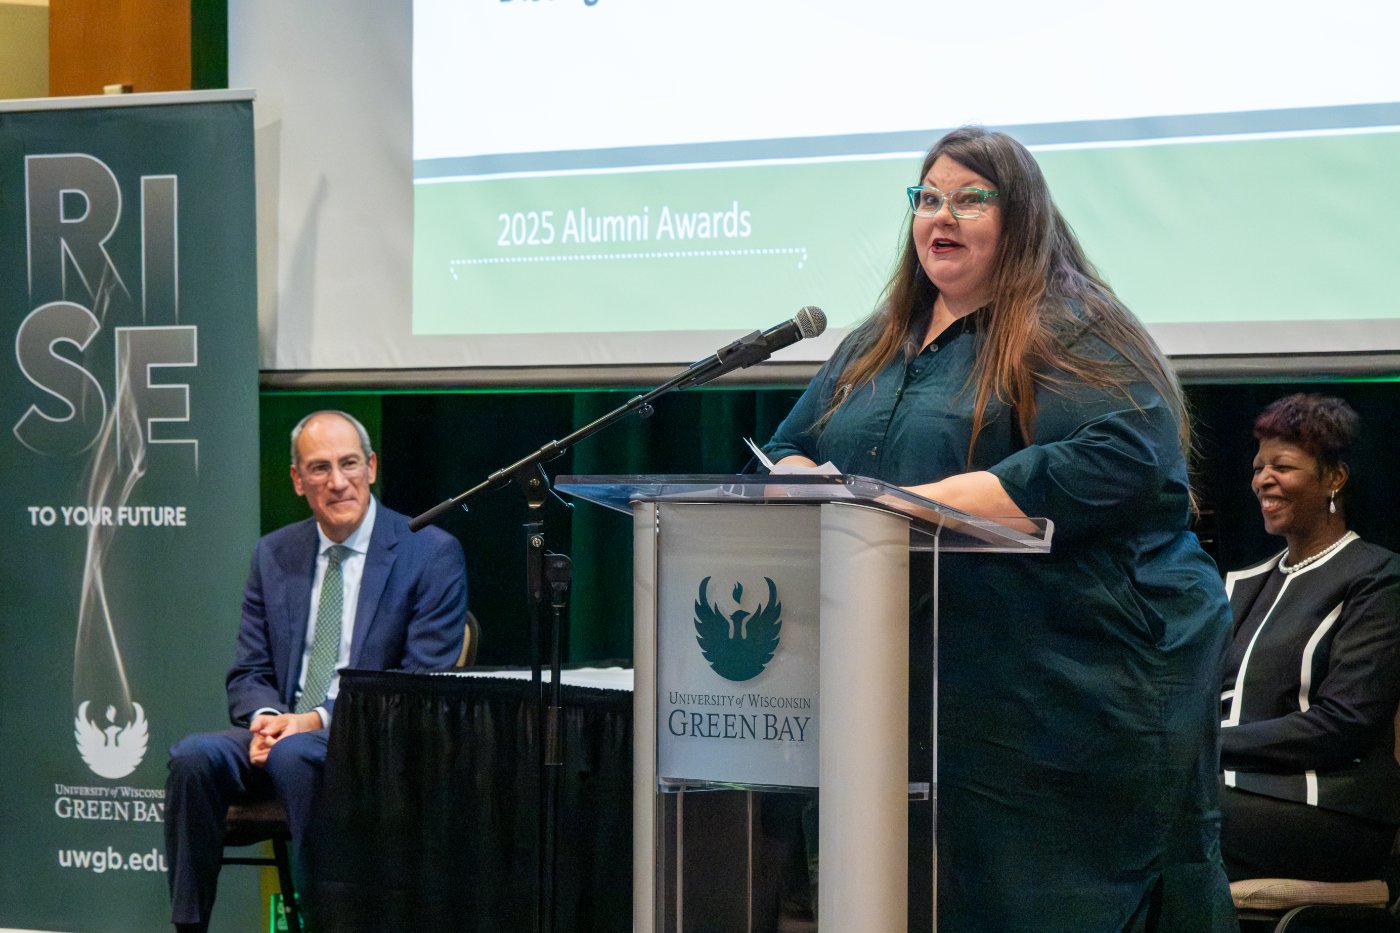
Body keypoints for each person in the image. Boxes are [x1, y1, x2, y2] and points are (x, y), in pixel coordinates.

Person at [764, 126, 1236, 931]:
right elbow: (788, 445)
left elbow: (1123, 451)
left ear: (1018, 216)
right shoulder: (879, 340)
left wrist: (921, 501)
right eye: (929, 198)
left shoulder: (1072, 322)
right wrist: (798, 480)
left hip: (1066, 685)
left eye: (970, 198)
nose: (941, 217)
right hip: (915, 681)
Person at [164, 410, 468, 932]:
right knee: (194, 758)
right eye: (320, 468)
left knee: (295, 753)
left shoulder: (429, 552)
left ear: (371, 467)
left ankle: (327, 921)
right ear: (298, 480)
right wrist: (265, 718)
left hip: (372, 742)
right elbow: (249, 669)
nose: (337, 481)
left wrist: (314, 721)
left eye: (349, 464)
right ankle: (189, 925)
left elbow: (419, 687)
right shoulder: (274, 553)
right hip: (282, 730)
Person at [1220, 393, 1400, 882]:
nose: (1263, 480)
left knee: (1156, 814)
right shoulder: (1243, 584)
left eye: (1283, 466)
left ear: (1334, 478)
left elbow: (1343, 724)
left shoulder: (1378, 578)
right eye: (1259, 467)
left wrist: (1209, 744)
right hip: (1233, 795)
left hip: (1331, 815)